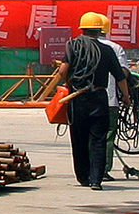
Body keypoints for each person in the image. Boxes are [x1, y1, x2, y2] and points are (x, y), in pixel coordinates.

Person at [56, 11, 129, 190]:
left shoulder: (73, 46)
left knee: (79, 139)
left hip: (77, 98)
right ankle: (96, 180)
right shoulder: (107, 50)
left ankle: (83, 177)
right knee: (98, 139)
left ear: (82, 29)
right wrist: (126, 97)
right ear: (99, 31)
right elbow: (120, 76)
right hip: (99, 98)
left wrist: (70, 83)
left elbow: (63, 71)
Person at [97, 13, 133, 180]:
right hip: (110, 100)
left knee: (87, 135)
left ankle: (86, 170)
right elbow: (123, 74)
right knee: (108, 135)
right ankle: (102, 170)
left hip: (84, 99)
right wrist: (126, 96)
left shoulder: (77, 46)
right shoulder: (115, 48)